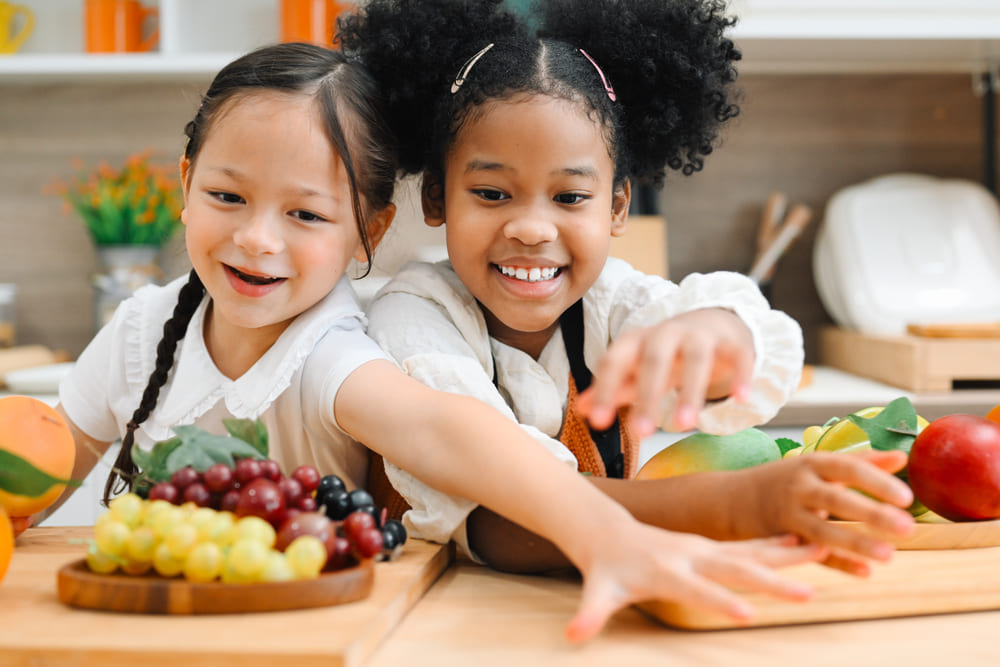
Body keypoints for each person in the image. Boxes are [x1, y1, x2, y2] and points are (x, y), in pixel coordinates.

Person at [39, 42, 827, 643]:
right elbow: (44, 454)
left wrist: (611, 529)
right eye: (226, 196)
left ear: (369, 229)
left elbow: (449, 430)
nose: (256, 240)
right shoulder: (145, 327)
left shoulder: (331, 353)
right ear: (184, 183)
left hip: (320, 637)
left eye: (305, 214)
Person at [340, 0, 916, 577]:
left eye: (570, 197)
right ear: (437, 198)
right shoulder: (411, 317)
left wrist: (717, 334)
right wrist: (726, 507)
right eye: (492, 194)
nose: (533, 228)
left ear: (617, 206)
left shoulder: (609, 300)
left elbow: (728, 334)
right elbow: (497, 515)